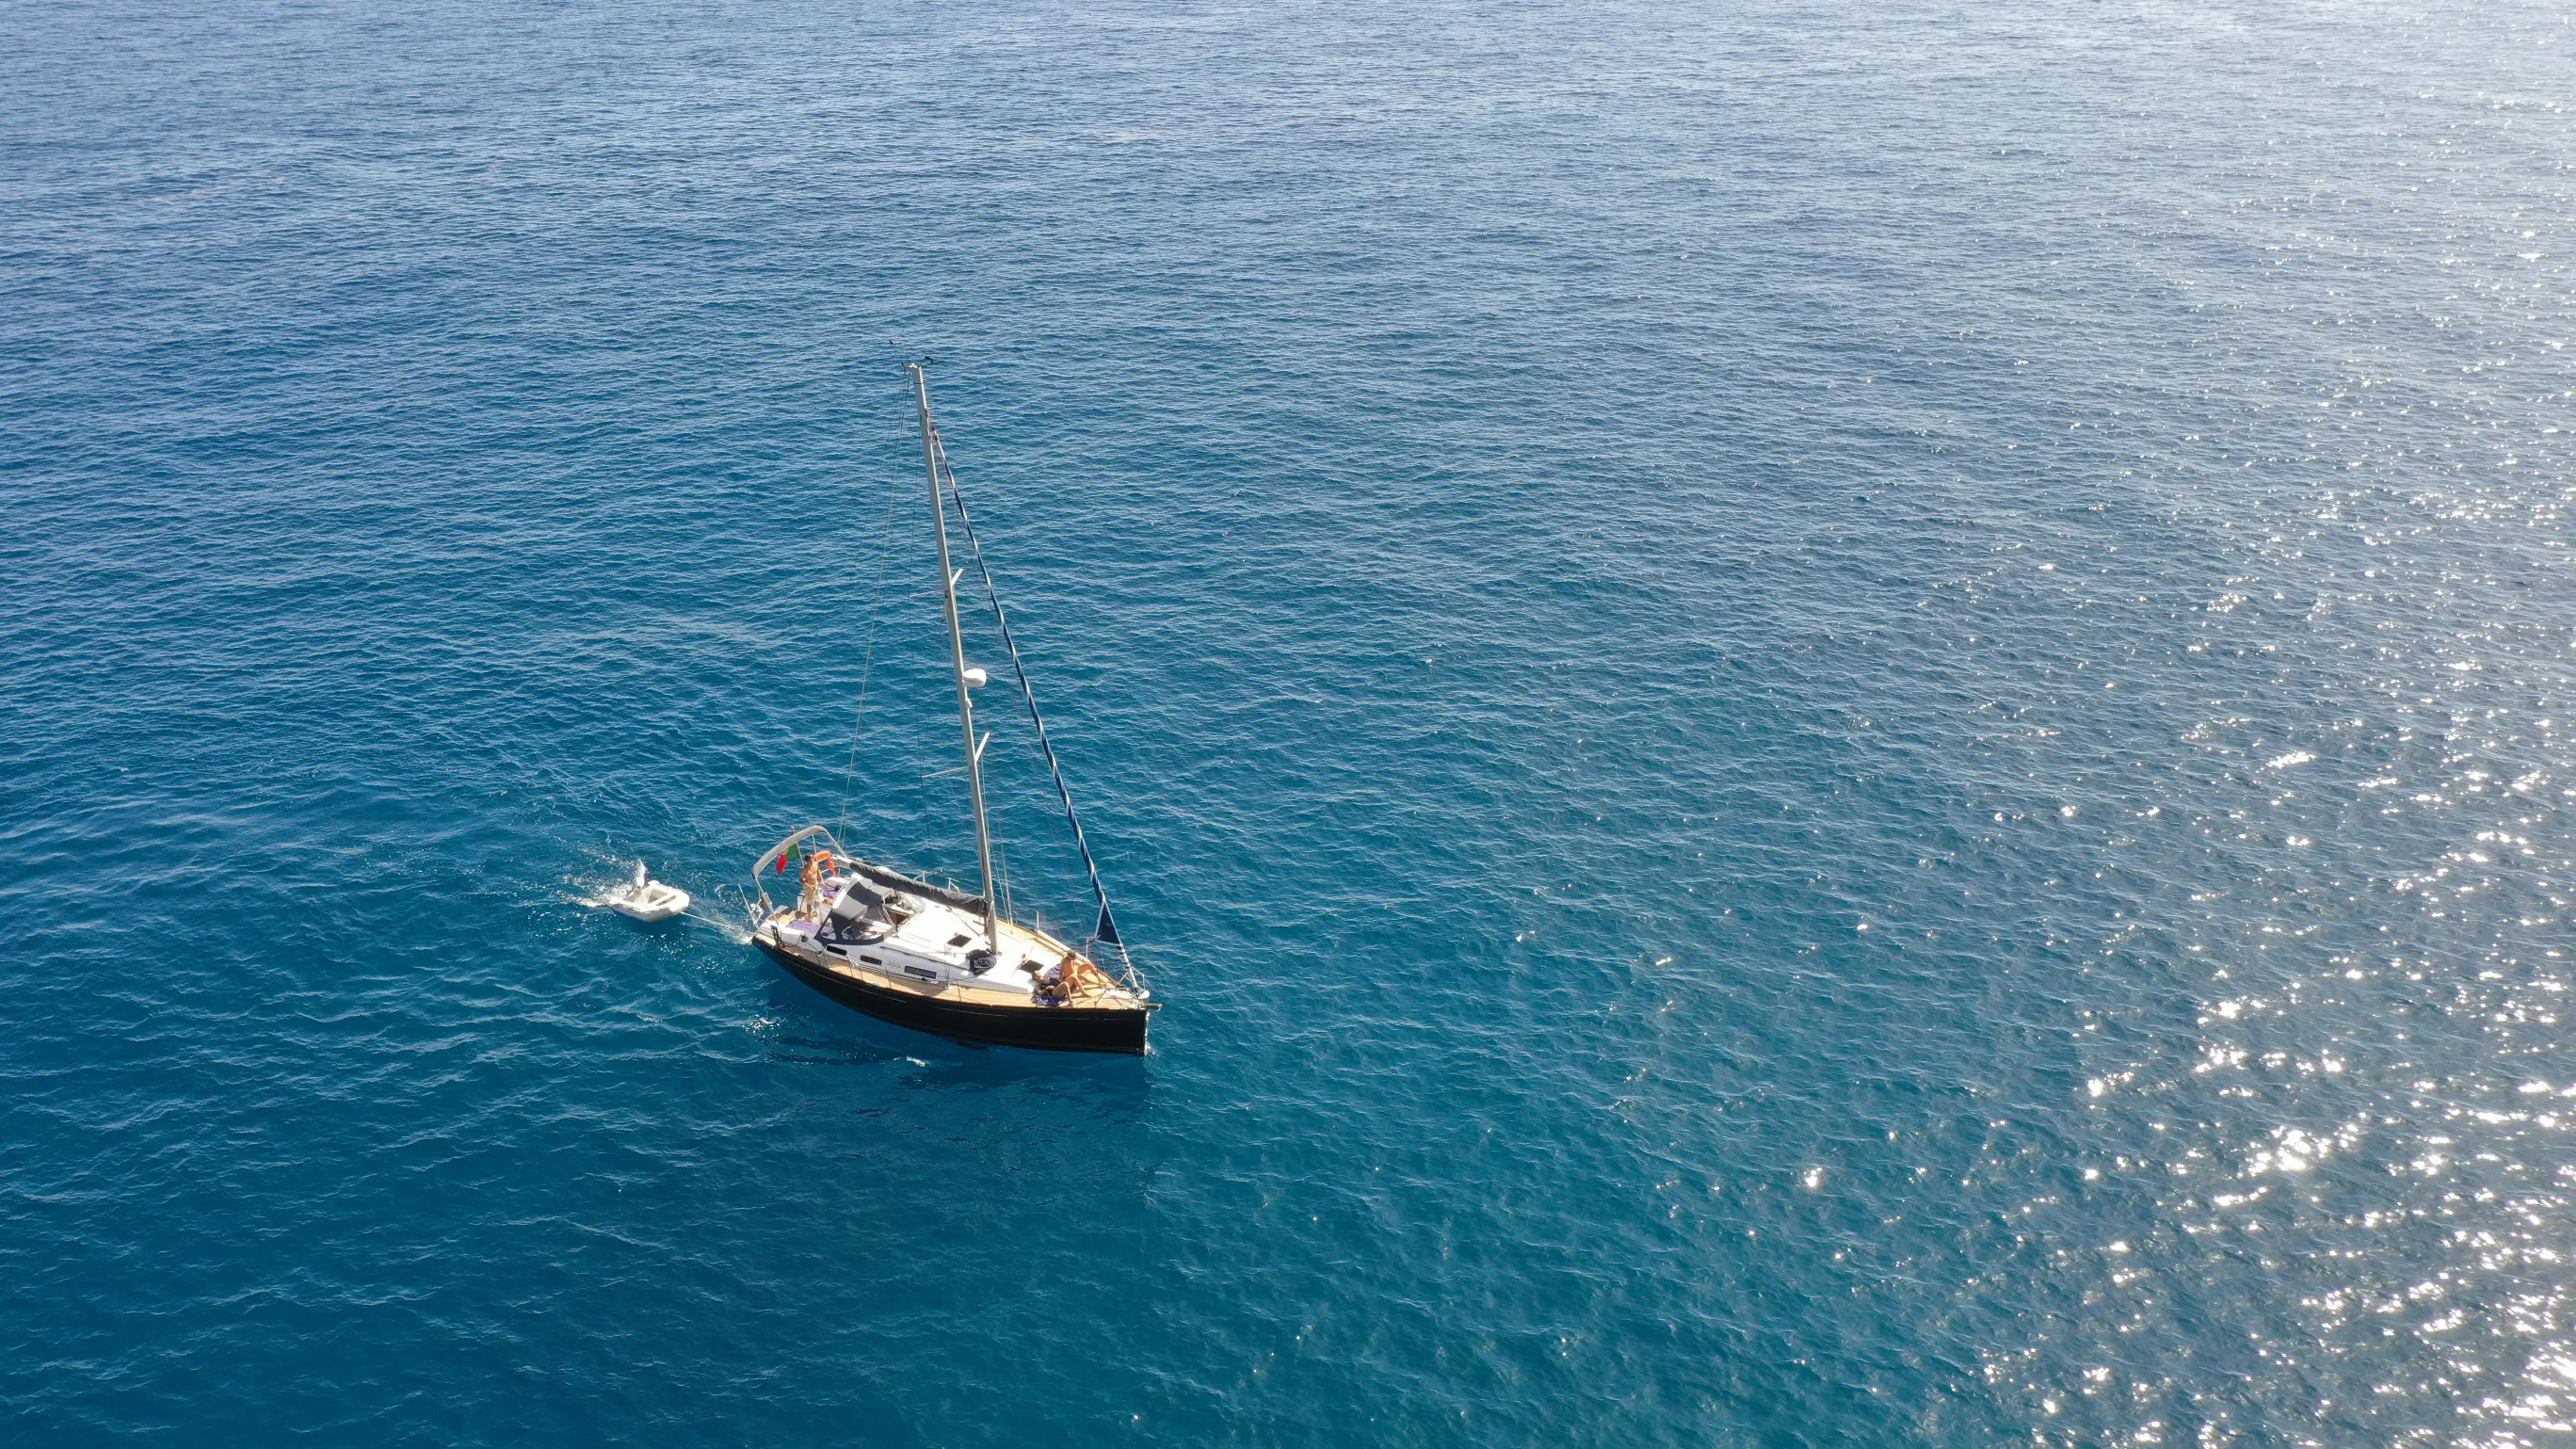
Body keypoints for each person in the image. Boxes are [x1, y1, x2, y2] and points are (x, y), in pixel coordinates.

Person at [797, 851, 823, 921]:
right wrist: (808, 886)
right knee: (809, 904)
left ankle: (818, 911)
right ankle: (809, 917)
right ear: (807, 861)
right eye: (811, 860)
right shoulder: (804, 870)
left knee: (819, 898)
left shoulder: (816, 864)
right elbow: (800, 880)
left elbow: (818, 871)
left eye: (813, 859)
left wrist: (822, 879)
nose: (812, 861)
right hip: (809, 888)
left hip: (816, 885)